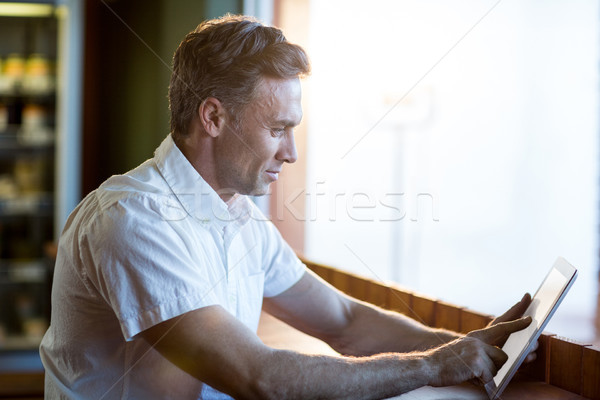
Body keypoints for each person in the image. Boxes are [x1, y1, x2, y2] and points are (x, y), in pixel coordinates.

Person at [40, 14, 534, 399]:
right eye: (277, 129)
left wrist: (470, 346)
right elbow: (259, 378)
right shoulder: (132, 220)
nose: (290, 152)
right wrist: (433, 366)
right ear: (213, 116)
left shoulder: (239, 218)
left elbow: (344, 322)